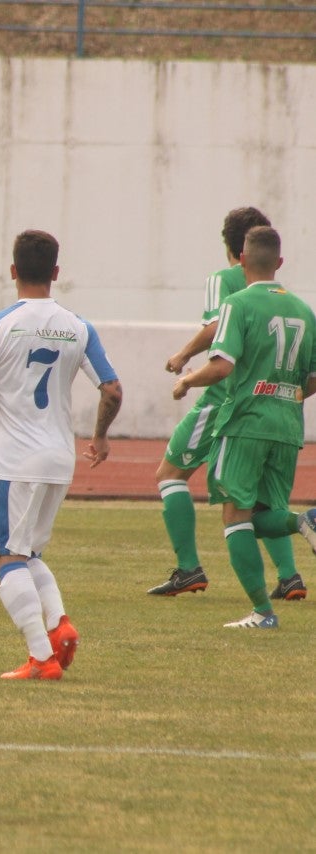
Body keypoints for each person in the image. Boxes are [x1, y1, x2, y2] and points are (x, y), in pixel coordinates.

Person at [0, 230, 123, 680]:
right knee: (28, 553)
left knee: (5, 555)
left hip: (15, 459)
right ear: (55, 273)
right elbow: (111, 389)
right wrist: (101, 438)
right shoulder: (78, 326)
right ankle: (60, 625)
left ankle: (41, 658)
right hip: (59, 459)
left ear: (13, 272)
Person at [151, 207, 307, 601]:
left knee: (171, 475)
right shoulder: (293, 301)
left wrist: (183, 360)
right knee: (262, 500)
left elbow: (216, 329)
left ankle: (189, 568)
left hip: (227, 399)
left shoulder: (226, 281)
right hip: (282, 411)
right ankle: (289, 576)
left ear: (234, 250)